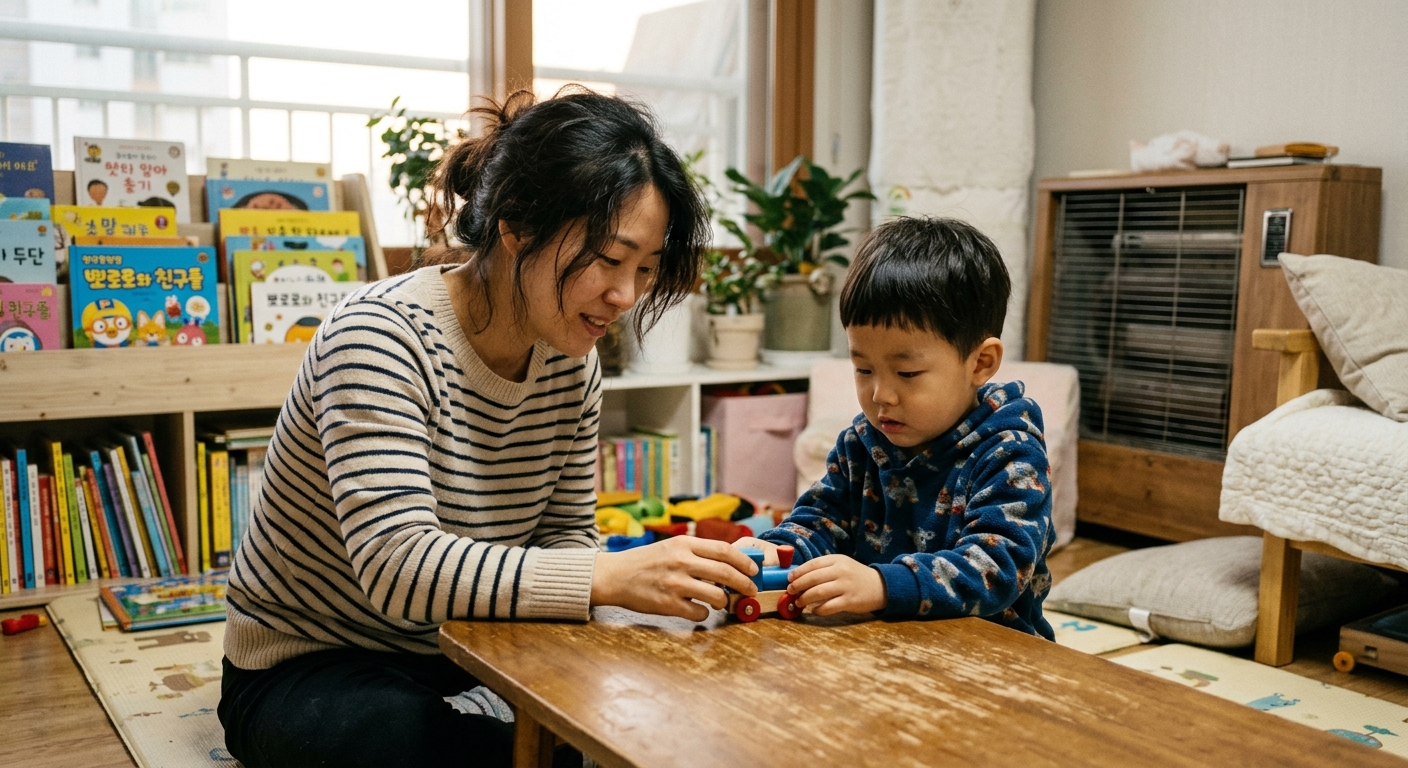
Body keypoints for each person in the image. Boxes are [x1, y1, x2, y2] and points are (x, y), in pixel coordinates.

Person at [217, 88, 761, 768]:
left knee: (644, 720)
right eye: (608, 258)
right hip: (314, 660)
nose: (624, 296)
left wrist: (604, 591)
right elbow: (397, 567)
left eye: (645, 270)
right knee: (422, 741)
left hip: (472, 644)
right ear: (518, 227)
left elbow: (564, 533)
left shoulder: (571, 362)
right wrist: (609, 575)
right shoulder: (380, 337)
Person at [734, 217, 1054, 638]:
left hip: (993, 654)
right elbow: (820, 521)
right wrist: (775, 552)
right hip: (884, 643)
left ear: (980, 363)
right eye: (863, 369)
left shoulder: (1011, 454)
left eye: (907, 373)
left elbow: (996, 568)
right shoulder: (861, 443)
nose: (881, 395)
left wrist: (882, 585)